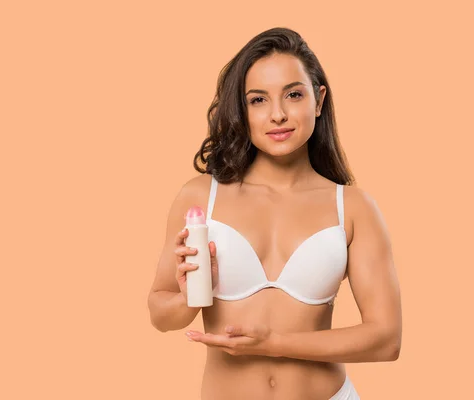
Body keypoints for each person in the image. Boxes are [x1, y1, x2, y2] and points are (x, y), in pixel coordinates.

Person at [147, 27, 402, 400]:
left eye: (293, 95)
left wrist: (274, 343)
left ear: (318, 100)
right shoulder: (201, 197)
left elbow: (386, 340)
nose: (278, 115)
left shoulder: (352, 208)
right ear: (242, 109)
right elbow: (159, 312)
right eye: (258, 100)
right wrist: (187, 299)